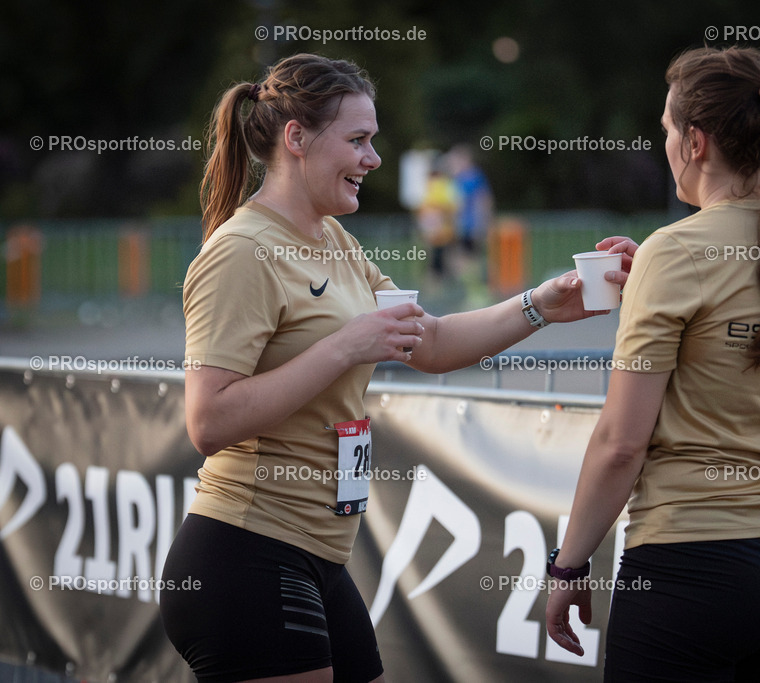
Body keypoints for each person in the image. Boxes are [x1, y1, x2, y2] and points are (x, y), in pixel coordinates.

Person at [158, 53, 626, 683]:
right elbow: (208, 420)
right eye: (357, 141)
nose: (374, 160)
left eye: (372, 140)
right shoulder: (242, 251)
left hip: (318, 553)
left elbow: (427, 341)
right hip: (247, 549)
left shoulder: (335, 242)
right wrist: (346, 346)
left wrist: (539, 306)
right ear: (295, 139)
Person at [545, 46, 760, 682]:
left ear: (695, 142)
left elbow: (620, 444)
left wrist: (569, 566)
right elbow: (748, 361)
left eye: (664, 130)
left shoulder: (675, 252)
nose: (664, 144)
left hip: (694, 566)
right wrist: (653, 289)